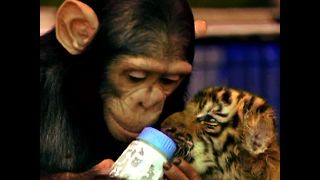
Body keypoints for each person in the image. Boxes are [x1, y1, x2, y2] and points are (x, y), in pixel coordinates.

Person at [40, 0, 206, 179]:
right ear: (78, 32)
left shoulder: (174, 106)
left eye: (168, 80)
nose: (149, 102)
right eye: (134, 77)